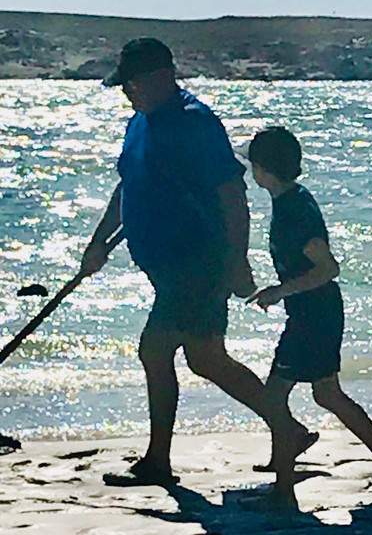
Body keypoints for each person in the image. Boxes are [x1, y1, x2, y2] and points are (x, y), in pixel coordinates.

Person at [78, 38, 312, 495]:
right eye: (124, 85)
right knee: (207, 359)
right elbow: (128, 187)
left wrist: (237, 260)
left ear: (162, 76)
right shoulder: (140, 123)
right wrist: (97, 244)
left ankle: (158, 462)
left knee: (155, 348)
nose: (128, 93)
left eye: (134, 84)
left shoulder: (195, 123)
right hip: (165, 266)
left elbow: (232, 194)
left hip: (198, 261)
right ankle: (289, 427)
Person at [244, 127, 372, 500]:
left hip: (313, 315)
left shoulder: (294, 211)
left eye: (253, 164)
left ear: (264, 170)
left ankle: (284, 486)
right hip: (314, 311)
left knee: (274, 397)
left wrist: (278, 291)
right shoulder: (290, 199)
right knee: (327, 394)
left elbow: (328, 268)